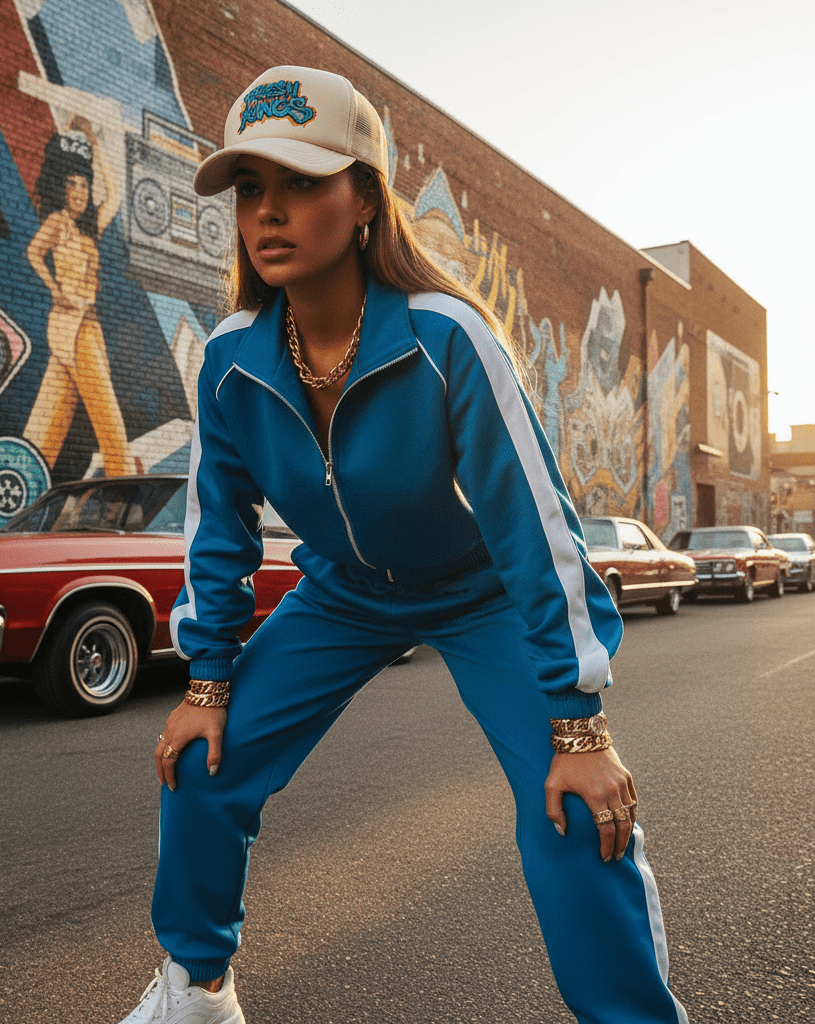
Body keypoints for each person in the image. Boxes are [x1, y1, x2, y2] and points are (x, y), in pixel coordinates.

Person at [122, 66, 689, 1024]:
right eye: (252, 187)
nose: (269, 211)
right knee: (201, 762)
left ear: (364, 202)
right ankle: (199, 991)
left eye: (302, 182)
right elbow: (217, 529)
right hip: (343, 594)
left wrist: (579, 724)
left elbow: (538, 529)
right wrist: (206, 681)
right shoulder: (230, 360)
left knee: (573, 809)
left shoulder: (448, 337)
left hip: (480, 592)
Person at [25, 117, 130, 477]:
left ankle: (21, 493)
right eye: (73, 185)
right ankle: (124, 496)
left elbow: (114, 193)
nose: (81, 192)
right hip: (74, 326)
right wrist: (55, 290)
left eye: (84, 185)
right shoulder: (58, 223)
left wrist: (93, 141)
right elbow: (34, 252)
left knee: (44, 431)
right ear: (62, 189)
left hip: (84, 324)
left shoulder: (91, 228)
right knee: (110, 424)